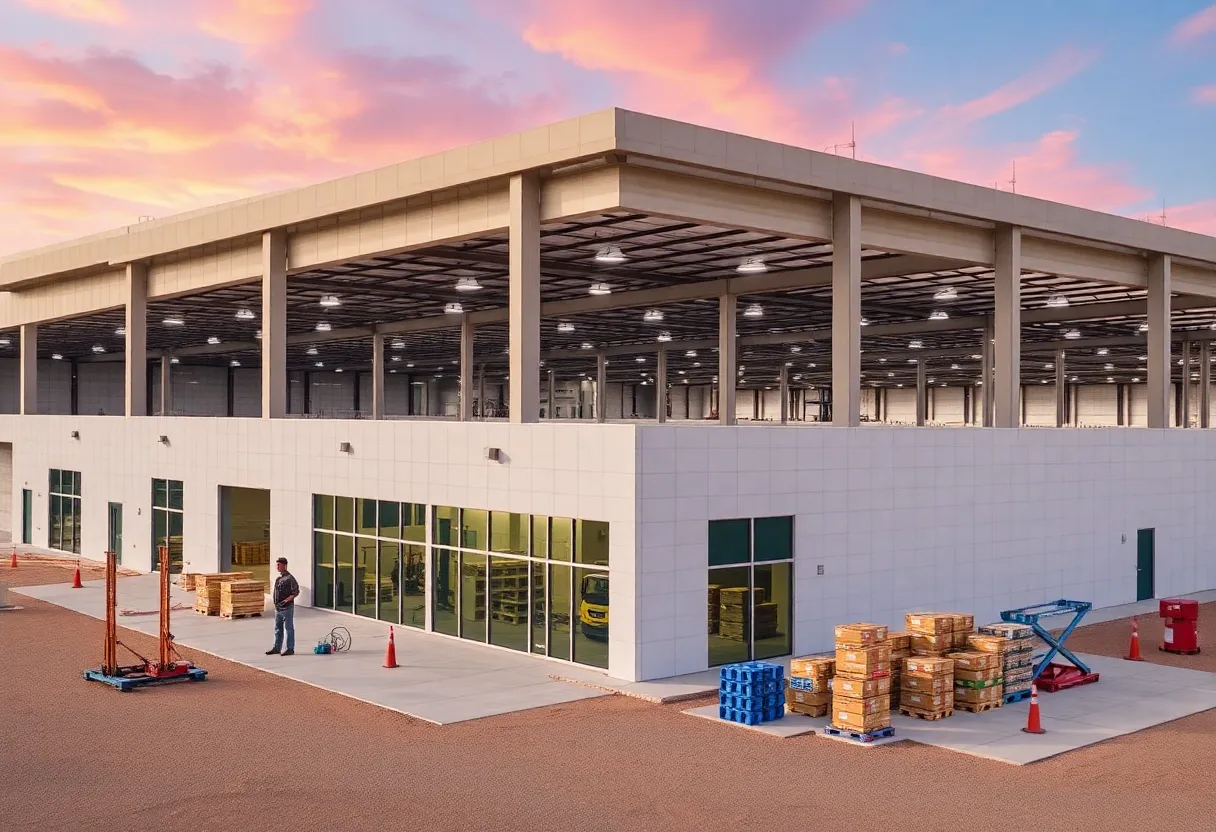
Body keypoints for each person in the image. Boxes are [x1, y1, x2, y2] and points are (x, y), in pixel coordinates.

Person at [266, 557, 299, 656]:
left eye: (279, 565)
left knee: (288, 628)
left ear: (284, 566)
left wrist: (286, 600)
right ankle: (277, 647)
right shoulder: (279, 578)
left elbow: (296, 592)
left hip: (287, 608)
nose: (277, 567)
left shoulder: (290, 578)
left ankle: (290, 649)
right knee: (278, 628)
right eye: (277, 565)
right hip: (278, 608)